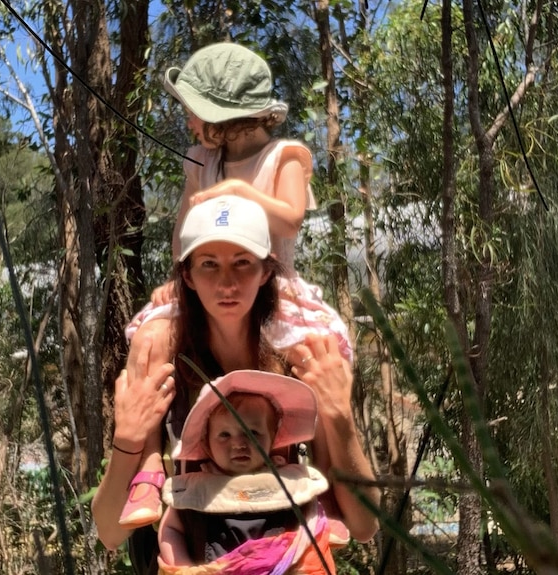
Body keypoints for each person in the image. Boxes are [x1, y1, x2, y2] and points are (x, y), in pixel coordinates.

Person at [118, 41, 352, 530]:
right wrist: (176, 278)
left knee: (316, 352)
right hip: (209, 279)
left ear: (223, 115)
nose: (189, 123)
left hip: (268, 282)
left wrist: (238, 191)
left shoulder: (285, 155)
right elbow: (186, 225)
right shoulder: (201, 158)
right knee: (148, 337)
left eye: (194, 112)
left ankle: (326, 488)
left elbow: (288, 220)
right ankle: (146, 468)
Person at [91, 195, 379, 568]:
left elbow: (365, 524)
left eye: (242, 263)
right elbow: (110, 532)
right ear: (188, 276)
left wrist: (340, 419)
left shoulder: (296, 358)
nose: (227, 283)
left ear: (265, 272)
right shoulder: (165, 356)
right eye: (209, 264)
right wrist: (128, 443)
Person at [158, 369, 344, 574]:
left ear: (273, 438)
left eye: (252, 433)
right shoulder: (196, 488)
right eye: (224, 435)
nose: (238, 443)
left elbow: (311, 525)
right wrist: (185, 568)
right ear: (206, 443)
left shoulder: (289, 481)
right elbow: (170, 529)